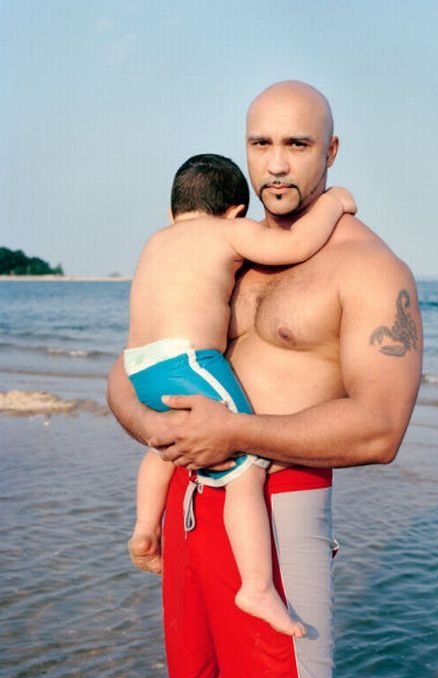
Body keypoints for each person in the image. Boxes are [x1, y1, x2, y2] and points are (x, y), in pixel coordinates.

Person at [108, 81, 423, 678]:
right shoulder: (226, 248)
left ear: (331, 151)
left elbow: (381, 428)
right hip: (190, 499)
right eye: (261, 143)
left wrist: (231, 433)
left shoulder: (369, 268)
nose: (276, 163)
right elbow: (127, 371)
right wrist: (155, 430)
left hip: (280, 508)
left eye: (297, 144)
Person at [124, 153, 355, 639]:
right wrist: (334, 204)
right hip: (187, 361)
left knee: (166, 444)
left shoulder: (157, 239)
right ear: (234, 210)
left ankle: (146, 527)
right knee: (246, 465)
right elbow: (295, 244)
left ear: (173, 210)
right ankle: (256, 586)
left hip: (140, 366)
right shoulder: (225, 231)